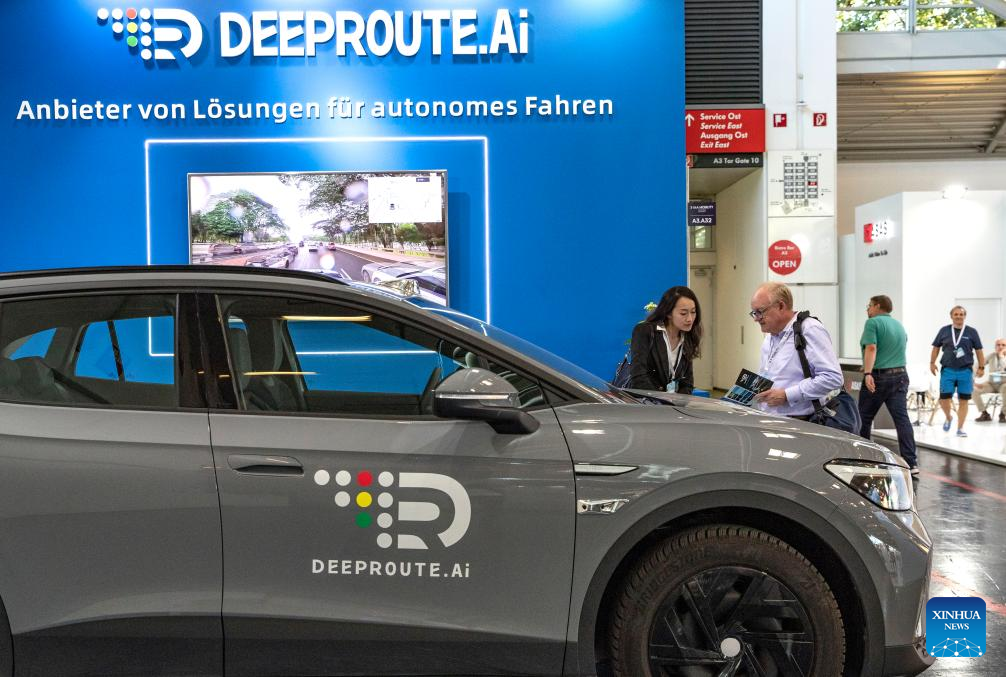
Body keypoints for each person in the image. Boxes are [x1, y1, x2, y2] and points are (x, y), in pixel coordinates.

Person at [749, 282, 844, 418]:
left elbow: (833, 378)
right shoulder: (769, 338)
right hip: (769, 419)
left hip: (801, 422)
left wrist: (787, 395)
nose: (756, 319)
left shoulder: (809, 329)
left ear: (781, 306)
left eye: (760, 312)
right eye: (754, 313)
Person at [857, 295, 918, 474]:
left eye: (869, 305)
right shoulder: (899, 325)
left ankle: (862, 458)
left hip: (879, 376)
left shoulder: (872, 323)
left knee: (864, 418)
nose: (868, 309)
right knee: (902, 419)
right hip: (900, 375)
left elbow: (871, 347)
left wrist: (868, 372)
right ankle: (911, 463)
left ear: (877, 306)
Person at [627, 286, 701, 394]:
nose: (690, 319)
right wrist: (662, 401)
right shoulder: (645, 331)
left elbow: (687, 383)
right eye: (683, 313)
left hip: (669, 402)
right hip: (644, 400)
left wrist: (678, 402)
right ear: (668, 313)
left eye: (693, 312)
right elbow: (638, 376)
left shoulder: (688, 337)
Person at [930, 305, 985, 437]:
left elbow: (979, 350)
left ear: (964, 316)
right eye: (956, 314)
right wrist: (932, 363)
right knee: (944, 398)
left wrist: (982, 367)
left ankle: (960, 428)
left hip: (965, 370)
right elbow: (936, 348)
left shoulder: (972, 332)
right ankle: (949, 417)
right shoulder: (944, 330)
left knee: (964, 400)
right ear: (951, 316)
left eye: (961, 314)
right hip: (947, 370)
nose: (959, 316)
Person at [974, 337, 1006, 423]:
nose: (1000, 347)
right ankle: (984, 414)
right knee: (973, 390)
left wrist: (1001, 356)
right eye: (998, 345)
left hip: (1004, 384)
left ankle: (1003, 414)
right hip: (991, 384)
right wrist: (972, 380)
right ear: (995, 347)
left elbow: (1004, 367)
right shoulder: (992, 356)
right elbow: (977, 365)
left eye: (1003, 345)